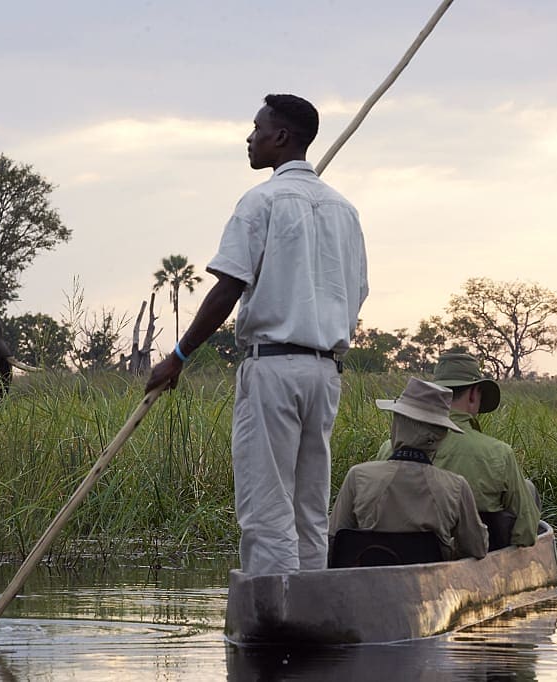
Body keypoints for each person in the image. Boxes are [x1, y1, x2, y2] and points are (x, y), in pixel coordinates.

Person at [145, 93, 368, 575]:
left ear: (281, 137)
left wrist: (178, 356)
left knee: (268, 506)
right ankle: (313, 606)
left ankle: (277, 619)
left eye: (257, 128)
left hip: (273, 369)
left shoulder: (261, 201)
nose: (250, 138)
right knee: (310, 507)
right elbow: (358, 293)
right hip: (326, 372)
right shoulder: (344, 210)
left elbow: (228, 288)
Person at [376, 350, 540, 548]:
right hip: (475, 552)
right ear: (473, 394)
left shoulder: (388, 449)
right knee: (528, 489)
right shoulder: (499, 453)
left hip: (394, 550)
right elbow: (527, 532)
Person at [330, 377, 489, 561]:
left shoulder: (358, 477)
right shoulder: (455, 488)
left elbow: (334, 540)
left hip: (367, 584)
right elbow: (478, 548)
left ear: (398, 425)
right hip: (429, 586)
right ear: (441, 434)